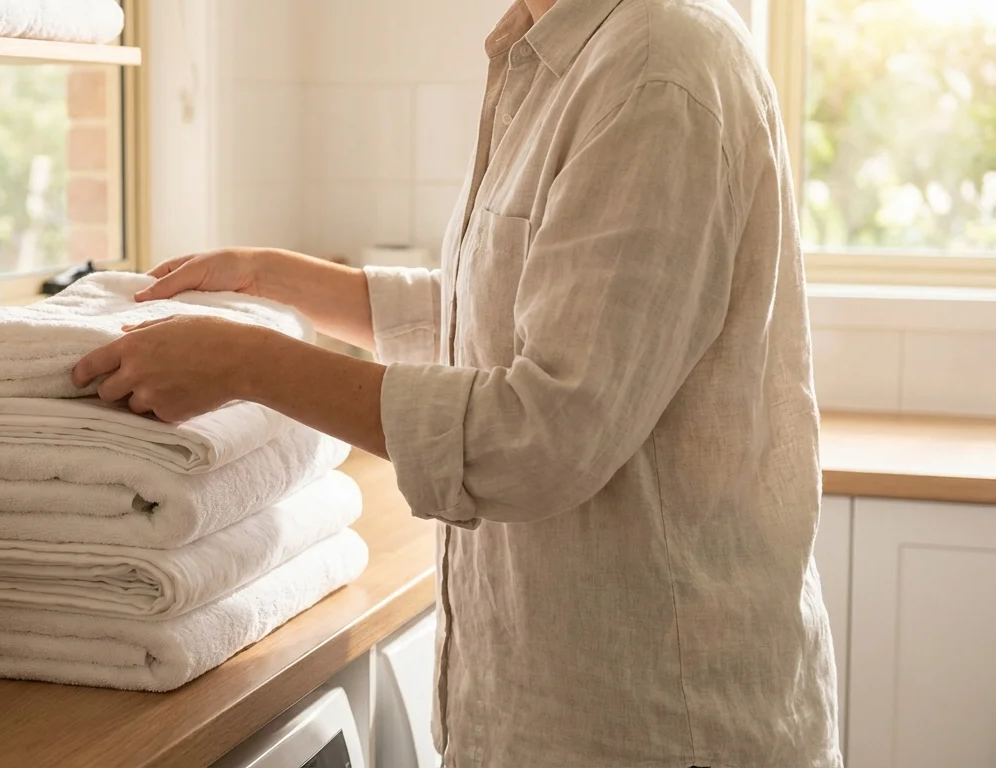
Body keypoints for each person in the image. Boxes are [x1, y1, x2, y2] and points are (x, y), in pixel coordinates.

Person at [73, 0, 843, 764]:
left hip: (657, 729)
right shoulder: (560, 50)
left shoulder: (656, 68)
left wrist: (246, 363)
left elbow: (544, 436)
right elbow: (507, 308)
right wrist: (275, 278)